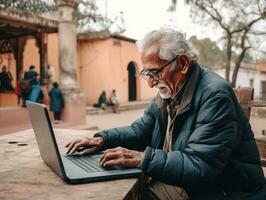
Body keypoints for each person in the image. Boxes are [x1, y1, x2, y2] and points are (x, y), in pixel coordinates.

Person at [65, 28, 266, 199]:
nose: (151, 82)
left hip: (224, 190)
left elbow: (200, 165)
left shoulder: (215, 95)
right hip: (188, 181)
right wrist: (103, 139)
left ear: (183, 64)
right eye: (146, 74)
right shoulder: (169, 91)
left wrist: (144, 159)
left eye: (155, 72)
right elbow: (141, 129)